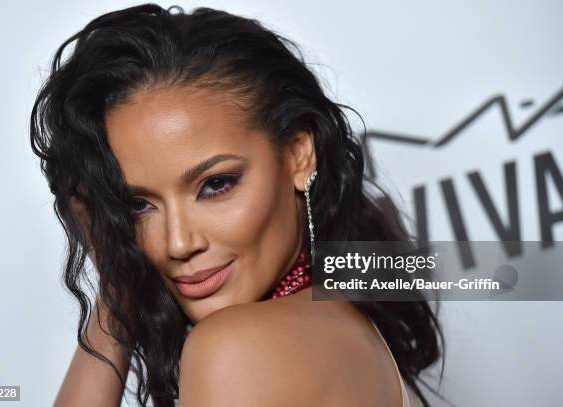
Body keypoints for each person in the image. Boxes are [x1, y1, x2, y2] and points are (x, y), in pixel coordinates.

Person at [30, 4, 444, 406]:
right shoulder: (348, 322)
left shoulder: (236, 346)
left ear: (299, 155)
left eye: (215, 185)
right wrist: (118, 274)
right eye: (137, 204)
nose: (177, 243)